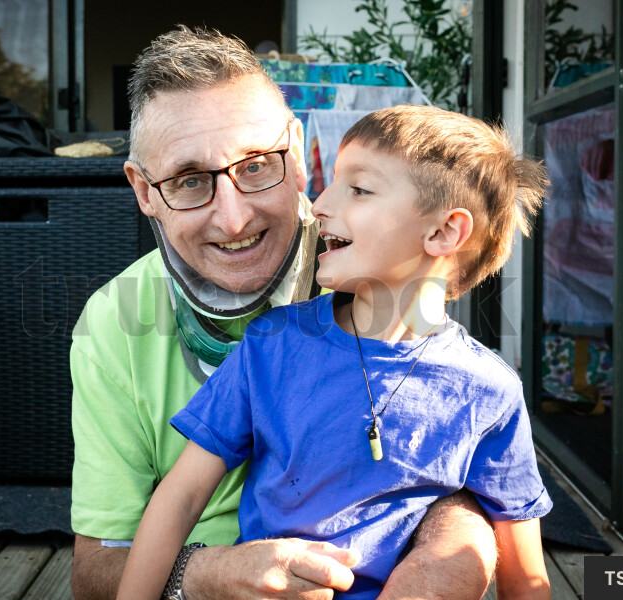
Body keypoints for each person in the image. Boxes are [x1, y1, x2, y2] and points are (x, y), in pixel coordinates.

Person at [71, 27, 498, 600]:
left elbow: (455, 436)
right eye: (190, 181)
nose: (235, 218)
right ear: (144, 191)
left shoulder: (379, 264)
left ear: (296, 154)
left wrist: (447, 545)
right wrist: (211, 576)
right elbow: (97, 565)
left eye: (254, 166)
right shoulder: (112, 321)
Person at [113, 104, 554, 600]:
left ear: (443, 233)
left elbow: (524, 573)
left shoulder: (489, 390)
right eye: (330, 182)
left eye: (358, 189)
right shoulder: (271, 346)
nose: (318, 204)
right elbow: (181, 495)